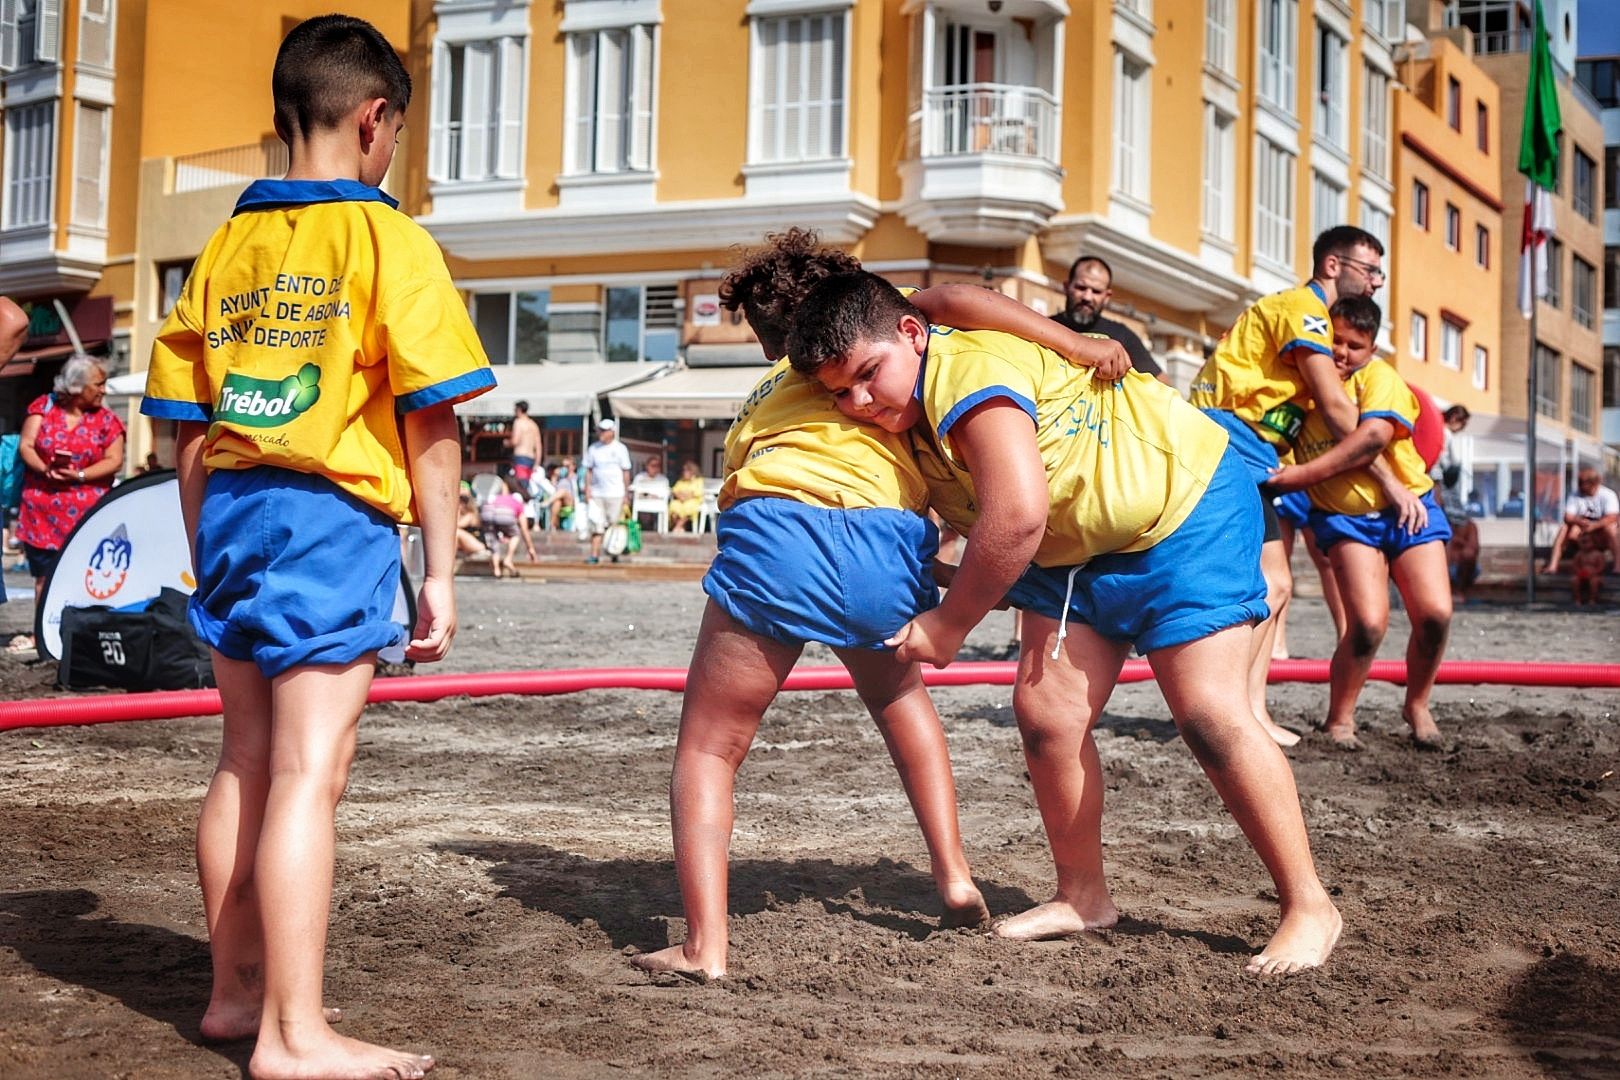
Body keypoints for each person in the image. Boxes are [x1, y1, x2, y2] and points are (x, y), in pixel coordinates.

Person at [792, 271, 1340, 977]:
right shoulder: (894, 380)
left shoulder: (964, 369)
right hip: (1075, 551)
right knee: (1047, 717)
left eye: (869, 376)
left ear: (909, 335)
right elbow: (946, 297)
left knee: (1207, 713)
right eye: (841, 392)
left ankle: (1309, 904)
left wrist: (952, 623)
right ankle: (1082, 896)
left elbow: (1016, 515)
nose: (860, 401)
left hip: (1182, 508)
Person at [631, 228, 1131, 981]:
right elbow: (963, 305)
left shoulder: (777, 387)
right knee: (901, 701)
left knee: (710, 747)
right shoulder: (891, 359)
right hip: (880, 540)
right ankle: (955, 873)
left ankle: (706, 947)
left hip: (780, 529)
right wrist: (1072, 342)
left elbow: (752, 474)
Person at [141, 16, 494, 1079]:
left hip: (236, 510)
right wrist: (439, 569)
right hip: (328, 514)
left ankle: (234, 997)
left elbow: (186, 427)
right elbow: (431, 424)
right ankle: (295, 1037)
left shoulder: (223, 244)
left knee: (245, 759)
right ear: (377, 120)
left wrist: (208, 546)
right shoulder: (392, 241)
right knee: (307, 771)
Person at [1189, 225, 1420, 748]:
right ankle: (1232, 713)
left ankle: (1251, 712)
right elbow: (1338, 411)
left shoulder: (1303, 314)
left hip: (1251, 450)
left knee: (1275, 585)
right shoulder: (1303, 310)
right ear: (1334, 266)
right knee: (1259, 586)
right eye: (1370, 270)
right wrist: (1390, 479)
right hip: (1232, 442)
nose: (1377, 283)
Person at [1268, 297, 1453, 751]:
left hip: (1410, 506)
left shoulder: (1380, 378)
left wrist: (1298, 477)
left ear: (1371, 350)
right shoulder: (1301, 389)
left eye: (1355, 345)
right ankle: (1340, 717)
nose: (1342, 352)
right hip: (1346, 520)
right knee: (1367, 624)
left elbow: (1371, 439)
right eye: (1335, 340)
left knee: (1435, 615)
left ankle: (1417, 702)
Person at [16, 356, 126, 607]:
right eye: (98, 384)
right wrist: (45, 469)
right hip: (41, 515)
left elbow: (114, 460)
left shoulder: (107, 420)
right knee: (44, 577)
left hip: (87, 516)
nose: (103, 390)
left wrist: (79, 475)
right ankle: (41, 634)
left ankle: (77, 634)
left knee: (84, 574)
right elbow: (27, 445)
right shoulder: (43, 407)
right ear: (77, 386)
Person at [1050, 256, 1163, 379]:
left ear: (1107, 296)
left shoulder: (1122, 336)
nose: (1087, 297)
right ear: (1067, 287)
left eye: (1096, 291)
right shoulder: (1048, 327)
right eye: (1081, 288)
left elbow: (1161, 383)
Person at [1270, 490, 1344, 665]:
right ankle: (1276, 643)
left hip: (1312, 476)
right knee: (1277, 558)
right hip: (1277, 473)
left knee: (1327, 559)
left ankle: (1345, 639)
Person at [1542, 468, 1618, 574]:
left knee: (1611, 529)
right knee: (1564, 528)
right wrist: (1579, 522)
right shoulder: (1575, 494)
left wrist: (1595, 525)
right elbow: (1567, 517)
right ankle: (1553, 565)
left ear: (1594, 484)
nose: (1581, 486)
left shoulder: (1608, 495)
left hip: (1601, 535)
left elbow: (1612, 517)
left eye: (1584, 483)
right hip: (1581, 534)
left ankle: (1617, 566)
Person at [581, 418, 631, 564]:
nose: (601, 433)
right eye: (600, 430)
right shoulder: (593, 448)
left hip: (616, 493)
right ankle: (594, 554)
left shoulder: (620, 448)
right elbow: (588, 471)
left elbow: (626, 472)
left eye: (604, 430)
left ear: (612, 432)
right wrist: (587, 489)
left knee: (614, 525)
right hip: (597, 493)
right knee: (596, 524)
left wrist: (626, 493)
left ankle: (614, 553)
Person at [505, 400, 540, 486]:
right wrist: (537, 463)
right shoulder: (533, 425)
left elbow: (515, 441)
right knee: (527, 484)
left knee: (520, 485)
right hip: (531, 458)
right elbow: (538, 445)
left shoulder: (518, 422)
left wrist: (506, 443)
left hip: (521, 457)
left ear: (519, 409)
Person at [667, 460, 704, 533]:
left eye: (686, 471)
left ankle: (677, 527)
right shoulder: (681, 481)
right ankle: (681, 527)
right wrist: (680, 496)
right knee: (674, 505)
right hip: (680, 500)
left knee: (688, 506)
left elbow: (696, 493)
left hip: (693, 501)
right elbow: (675, 490)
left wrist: (685, 497)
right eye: (684, 471)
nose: (684, 472)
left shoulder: (698, 481)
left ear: (692, 472)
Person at [455, 488, 490, 559]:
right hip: (467, 547)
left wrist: (457, 511)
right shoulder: (463, 515)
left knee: (456, 532)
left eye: (464, 500)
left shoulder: (471, 515)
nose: (461, 503)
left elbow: (455, 526)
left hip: (479, 547)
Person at [1571, 533, 1606, 605]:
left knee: (1594, 581)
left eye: (1587, 542)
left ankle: (1592, 599)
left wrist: (1594, 572)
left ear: (1594, 542)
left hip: (1595, 575)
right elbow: (1575, 565)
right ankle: (1577, 599)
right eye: (1582, 542)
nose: (1584, 545)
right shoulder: (1579, 554)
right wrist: (1578, 572)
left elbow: (1601, 566)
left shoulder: (1598, 554)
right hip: (1581, 574)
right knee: (1574, 580)